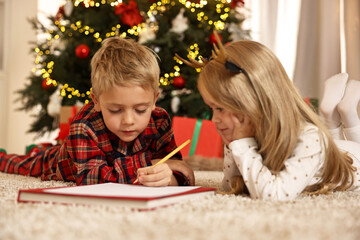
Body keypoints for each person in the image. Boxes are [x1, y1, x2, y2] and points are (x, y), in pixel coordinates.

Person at [177, 33, 360, 200]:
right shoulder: (250, 134)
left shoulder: (309, 138)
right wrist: (233, 145)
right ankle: (334, 115)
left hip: (354, 157)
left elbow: (276, 195)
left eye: (220, 109)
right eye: (212, 109)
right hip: (333, 150)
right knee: (332, 144)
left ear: (251, 103)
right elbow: (230, 186)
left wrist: (240, 144)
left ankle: (345, 113)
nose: (214, 119)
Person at [0, 37, 194, 187]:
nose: (128, 120)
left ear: (154, 100)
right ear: (96, 101)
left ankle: (35, 149)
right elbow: (91, 178)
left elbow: (174, 166)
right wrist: (149, 162)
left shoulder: (159, 120)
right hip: (58, 163)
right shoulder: (84, 125)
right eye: (116, 110)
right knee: (21, 163)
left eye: (140, 110)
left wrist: (169, 178)